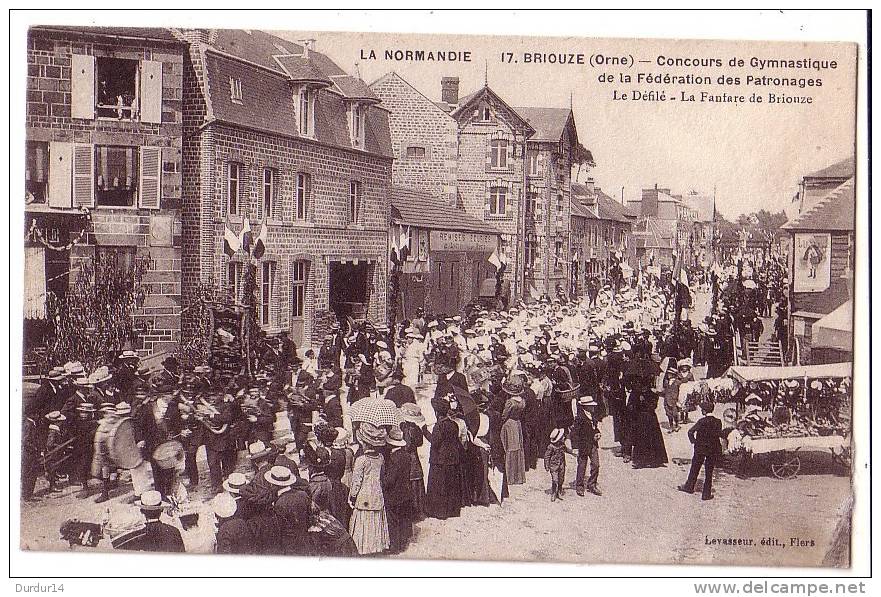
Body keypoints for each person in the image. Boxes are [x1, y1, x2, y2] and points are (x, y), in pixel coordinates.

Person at [348, 424, 390, 555]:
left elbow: (356, 482)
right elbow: (381, 475)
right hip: (377, 492)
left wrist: (352, 496)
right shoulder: (380, 458)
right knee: (375, 520)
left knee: (364, 521)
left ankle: (363, 547)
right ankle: (377, 545)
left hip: (364, 494)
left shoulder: (361, 460)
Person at [422, 399, 462, 520]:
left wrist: (425, 431)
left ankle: (438, 512)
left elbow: (435, 442)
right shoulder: (454, 424)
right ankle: (452, 510)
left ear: (437, 413)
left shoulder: (439, 425)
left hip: (439, 460)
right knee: (450, 485)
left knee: (439, 486)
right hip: (452, 459)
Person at [679, 400, 723, 501]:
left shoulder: (701, 421)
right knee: (709, 471)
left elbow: (690, 432)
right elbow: (719, 434)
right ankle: (706, 494)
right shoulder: (718, 422)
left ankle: (689, 487)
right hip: (713, 449)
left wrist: (694, 441)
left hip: (700, 448)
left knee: (695, 467)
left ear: (704, 411)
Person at [381, 426, 414, 554]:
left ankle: (395, 546)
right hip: (405, 492)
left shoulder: (394, 458)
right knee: (403, 518)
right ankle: (403, 542)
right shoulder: (406, 456)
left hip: (394, 494)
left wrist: (382, 480)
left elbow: (389, 480)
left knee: (393, 520)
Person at [570, 396, 602, 496]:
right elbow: (574, 433)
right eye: (590, 406)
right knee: (582, 466)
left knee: (596, 465)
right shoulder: (579, 418)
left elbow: (595, 428)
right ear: (585, 407)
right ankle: (579, 486)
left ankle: (592, 484)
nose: (593, 407)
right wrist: (575, 447)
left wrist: (597, 433)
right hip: (583, 445)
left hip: (593, 444)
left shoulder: (592, 416)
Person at [544, 428, 570, 502]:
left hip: (561, 465)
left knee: (561, 479)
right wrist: (547, 465)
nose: (564, 437)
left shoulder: (562, 445)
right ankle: (554, 493)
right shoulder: (551, 447)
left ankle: (559, 491)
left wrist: (572, 452)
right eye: (562, 437)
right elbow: (547, 456)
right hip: (553, 466)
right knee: (555, 480)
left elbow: (566, 450)